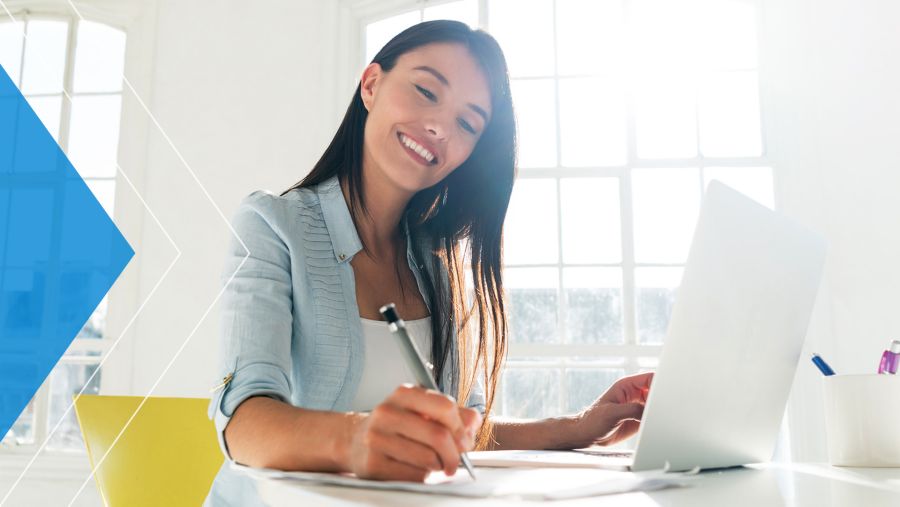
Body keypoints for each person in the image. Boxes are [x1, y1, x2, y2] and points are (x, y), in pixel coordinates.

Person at [204, 20, 653, 506]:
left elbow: (465, 437)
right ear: (371, 85)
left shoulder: (440, 265)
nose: (440, 126)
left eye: (468, 124)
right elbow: (243, 422)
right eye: (425, 91)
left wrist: (580, 426)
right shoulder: (272, 225)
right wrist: (358, 438)